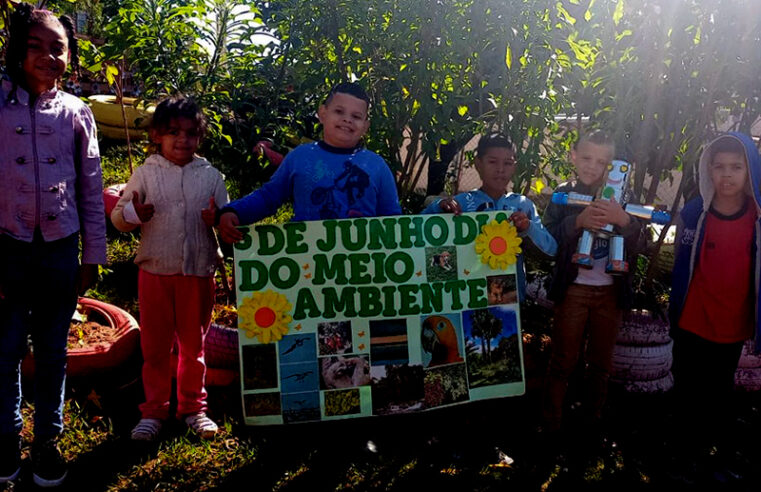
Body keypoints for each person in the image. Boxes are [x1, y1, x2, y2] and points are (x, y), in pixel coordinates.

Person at [0, 5, 105, 487]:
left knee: (52, 352)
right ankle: (5, 440)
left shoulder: (77, 113)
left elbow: (89, 186)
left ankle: (47, 442)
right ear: (16, 50)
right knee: (2, 350)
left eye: (57, 47)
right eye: (35, 45)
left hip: (61, 252)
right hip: (7, 250)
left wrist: (93, 255)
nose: (48, 56)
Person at [111, 96, 228, 442]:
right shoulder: (145, 173)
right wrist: (134, 215)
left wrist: (219, 219)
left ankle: (193, 407)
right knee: (156, 347)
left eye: (191, 133)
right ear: (157, 136)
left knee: (194, 346)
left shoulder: (210, 176)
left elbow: (227, 217)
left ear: (200, 137)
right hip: (155, 272)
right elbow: (119, 217)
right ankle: (153, 410)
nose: (182, 140)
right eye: (173, 132)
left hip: (197, 273)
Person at [668, 132, 761, 477]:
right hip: (693, 317)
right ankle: (683, 453)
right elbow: (681, 264)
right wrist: (675, 310)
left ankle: (716, 454)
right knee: (688, 388)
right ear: (708, 170)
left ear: (750, 171)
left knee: (720, 389)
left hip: (732, 322)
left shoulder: (758, 218)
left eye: (736, 167)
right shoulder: (695, 213)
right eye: (719, 167)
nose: (727, 175)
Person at [541, 130, 644, 439]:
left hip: (610, 293)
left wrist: (624, 221)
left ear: (611, 165)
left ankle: (590, 423)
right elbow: (548, 240)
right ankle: (551, 424)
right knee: (563, 360)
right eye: (586, 157)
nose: (592, 166)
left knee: (600, 363)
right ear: (573, 156)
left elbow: (641, 242)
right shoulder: (564, 193)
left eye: (602, 161)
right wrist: (578, 222)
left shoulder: (623, 195)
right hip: (573, 290)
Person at [216, 82, 401, 242]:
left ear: (365, 127)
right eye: (339, 111)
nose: (347, 119)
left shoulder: (378, 167)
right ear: (322, 113)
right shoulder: (300, 157)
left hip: (362, 271)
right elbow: (268, 197)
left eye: (356, 116)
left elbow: (394, 223)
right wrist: (234, 212)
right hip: (307, 268)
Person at [420, 133, 557, 301]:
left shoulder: (523, 206)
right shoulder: (461, 204)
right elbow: (415, 230)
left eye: (507, 163)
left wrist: (528, 227)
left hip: (508, 299)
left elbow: (551, 249)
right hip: (466, 294)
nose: (500, 169)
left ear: (514, 167)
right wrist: (438, 208)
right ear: (478, 164)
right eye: (492, 162)